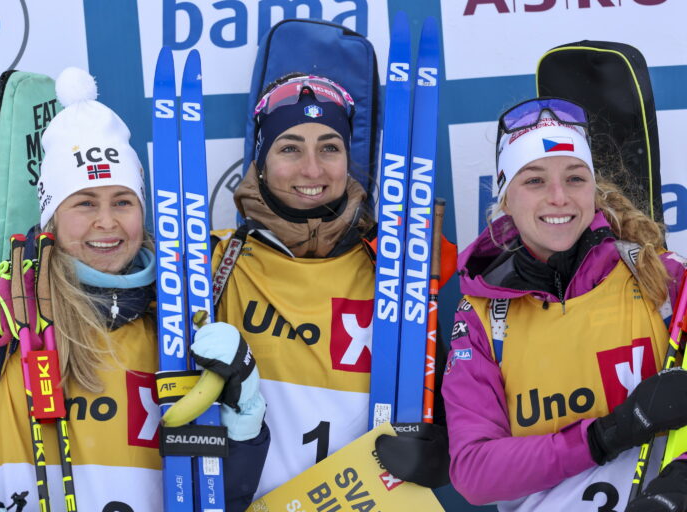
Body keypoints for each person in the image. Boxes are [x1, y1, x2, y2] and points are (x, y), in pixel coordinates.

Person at [0, 67, 267, 511]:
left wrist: (244, 422)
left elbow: (221, 497)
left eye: (123, 201)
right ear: (51, 217)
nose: (107, 223)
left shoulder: (177, 324)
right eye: (84, 203)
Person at [191, 73, 450, 500]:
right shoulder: (214, 266)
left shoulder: (392, 269)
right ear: (260, 160)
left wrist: (440, 447)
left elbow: (442, 403)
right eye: (289, 147)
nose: (312, 169)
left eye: (330, 147)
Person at [442, 97, 687, 511]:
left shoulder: (662, 279)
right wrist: (605, 435)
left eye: (575, 178)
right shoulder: (484, 316)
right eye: (534, 181)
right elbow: (474, 471)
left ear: (593, 187)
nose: (559, 198)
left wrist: (680, 485)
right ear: (505, 197)